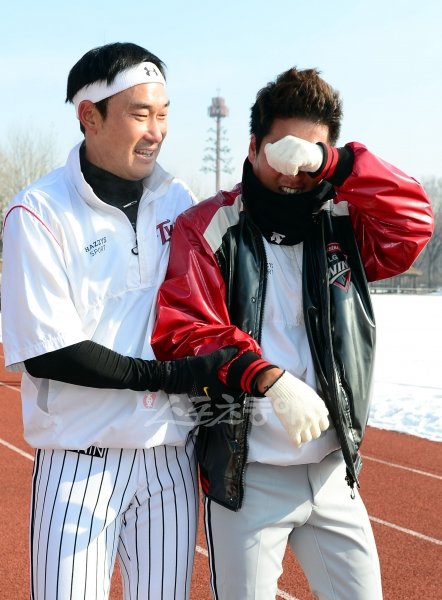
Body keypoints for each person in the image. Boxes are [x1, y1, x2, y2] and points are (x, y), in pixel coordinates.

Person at [151, 67, 434, 599]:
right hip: (248, 475)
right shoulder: (209, 226)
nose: (292, 173)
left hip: (331, 471)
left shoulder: (345, 219)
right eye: (281, 151)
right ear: (254, 145)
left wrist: (337, 164)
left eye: (310, 158)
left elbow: (414, 222)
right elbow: (186, 331)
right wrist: (269, 377)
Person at [1, 42, 234, 600]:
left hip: (168, 464)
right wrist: (175, 377)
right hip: (79, 465)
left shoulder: (179, 199)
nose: (156, 130)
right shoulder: (37, 212)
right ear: (89, 117)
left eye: (163, 113)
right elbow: (51, 351)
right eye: (139, 114)